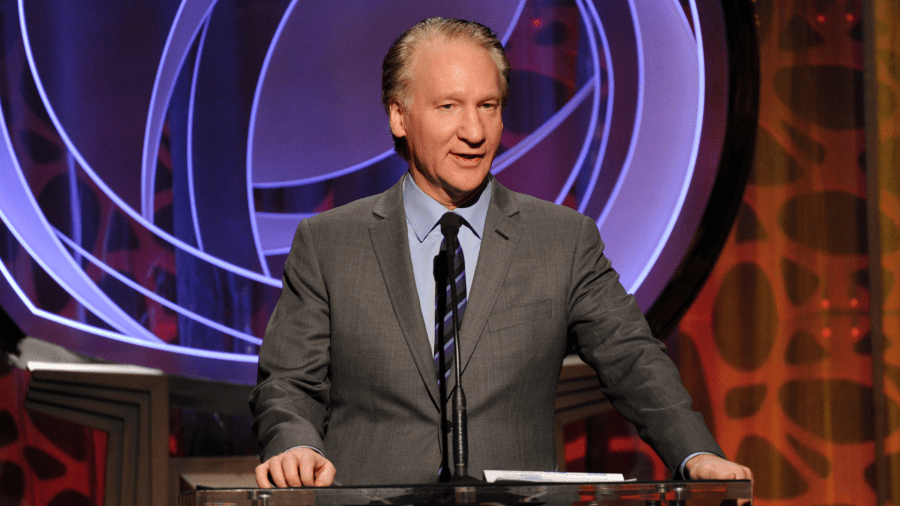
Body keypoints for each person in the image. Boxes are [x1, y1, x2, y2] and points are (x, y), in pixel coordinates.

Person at [250, 17, 752, 489]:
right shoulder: (330, 243)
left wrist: (694, 453)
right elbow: (288, 384)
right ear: (399, 117)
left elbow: (632, 358)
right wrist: (294, 444)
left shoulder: (563, 240)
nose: (474, 132)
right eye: (449, 107)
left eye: (488, 106)